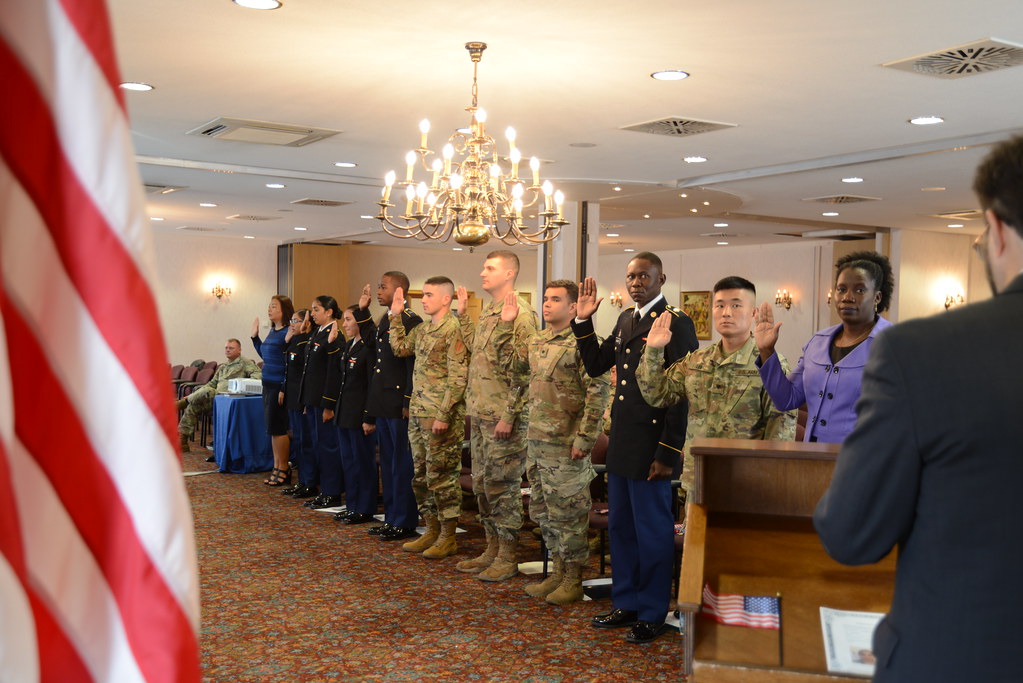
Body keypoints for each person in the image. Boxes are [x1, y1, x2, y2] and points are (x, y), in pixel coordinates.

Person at [813, 135, 1023, 682]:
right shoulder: (833, 344)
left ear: (997, 230)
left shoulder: (922, 352)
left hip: (964, 655)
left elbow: (852, 533)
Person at [572, 252, 698, 644]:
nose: (636, 282)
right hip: (624, 444)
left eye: (644, 276)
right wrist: (583, 320)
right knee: (623, 530)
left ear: (662, 277)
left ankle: (652, 610)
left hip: (652, 448)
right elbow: (596, 364)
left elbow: (680, 394)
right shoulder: (627, 318)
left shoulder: (676, 322)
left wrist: (666, 453)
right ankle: (626, 602)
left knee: (652, 534)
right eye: (631, 276)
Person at [497, 280, 611, 605]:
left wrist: (586, 438)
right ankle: (558, 573)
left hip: (567, 444)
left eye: (556, 299)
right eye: (546, 299)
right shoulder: (537, 340)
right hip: (537, 442)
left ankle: (574, 579)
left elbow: (597, 393)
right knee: (544, 512)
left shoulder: (585, 343)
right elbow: (514, 374)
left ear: (574, 307)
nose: (547, 304)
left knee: (569, 515)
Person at [637, 276, 797, 495]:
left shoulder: (768, 364)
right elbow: (657, 395)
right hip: (699, 481)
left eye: (736, 305)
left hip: (746, 486)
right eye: (719, 305)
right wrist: (654, 351)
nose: (726, 312)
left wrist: (768, 486)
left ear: (753, 313)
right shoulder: (697, 361)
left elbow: (780, 432)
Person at [455, 250, 538, 582]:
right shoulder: (491, 311)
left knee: (503, 487)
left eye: (489, 268)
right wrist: (462, 316)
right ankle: (491, 548)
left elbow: (524, 372)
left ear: (509, 274)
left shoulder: (522, 315)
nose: (482, 273)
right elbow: (477, 354)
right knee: (482, 486)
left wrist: (509, 415)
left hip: (504, 418)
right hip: (481, 413)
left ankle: (508, 554)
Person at [754, 251, 895, 443]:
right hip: (813, 460)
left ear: (877, 297)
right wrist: (766, 351)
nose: (847, 297)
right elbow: (787, 399)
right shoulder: (817, 342)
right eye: (841, 289)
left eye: (860, 290)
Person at [389, 277, 469, 560]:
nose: (423, 299)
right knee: (421, 476)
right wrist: (395, 316)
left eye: (429, 295)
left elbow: (459, 377)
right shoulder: (423, 330)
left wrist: (445, 414)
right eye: (422, 295)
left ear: (446, 299)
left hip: (440, 416)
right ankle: (431, 530)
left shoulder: (454, 330)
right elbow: (399, 348)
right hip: (419, 412)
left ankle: (448, 536)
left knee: (442, 477)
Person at [355, 273, 423, 542]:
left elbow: (410, 365)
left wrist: (408, 399)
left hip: (398, 404)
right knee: (389, 464)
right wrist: (362, 311)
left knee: (401, 465)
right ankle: (392, 517)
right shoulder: (388, 318)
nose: (379, 290)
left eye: (383, 287)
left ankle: (405, 520)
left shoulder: (410, 320)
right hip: (383, 402)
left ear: (400, 291)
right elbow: (373, 347)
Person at [330, 305, 379, 525]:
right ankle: (352, 505)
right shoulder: (350, 345)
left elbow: (371, 385)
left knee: (363, 463)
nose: (345, 324)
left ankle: (365, 507)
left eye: (349, 320)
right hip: (344, 413)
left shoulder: (368, 349)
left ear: (359, 322)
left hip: (359, 415)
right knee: (348, 462)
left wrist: (369, 417)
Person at [297, 295, 343, 508]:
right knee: (317, 445)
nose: (312, 314)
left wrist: (328, 404)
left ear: (329, 311)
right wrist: (307, 400)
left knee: (328, 447)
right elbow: (309, 370)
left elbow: (333, 374)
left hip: (324, 402)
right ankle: (323, 488)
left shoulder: (335, 336)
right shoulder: (317, 332)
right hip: (313, 399)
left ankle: (331, 491)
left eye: (316, 310)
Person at [176, 339, 261, 453]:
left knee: (209, 391)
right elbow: (212, 383)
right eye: (226, 348)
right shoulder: (223, 366)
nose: (227, 350)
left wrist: (240, 386)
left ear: (239, 350)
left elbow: (257, 378)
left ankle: (182, 403)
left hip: (229, 399)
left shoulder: (246, 363)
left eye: (231, 348)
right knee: (194, 404)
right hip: (215, 398)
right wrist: (195, 395)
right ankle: (183, 441)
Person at [250, 295, 295, 486]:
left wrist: (284, 386)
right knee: (272, 429)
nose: (269, 309)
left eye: (274, 306)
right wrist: (254, 338)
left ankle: (284, 468)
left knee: (279, 428)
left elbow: (289, 364)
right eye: (269, 306)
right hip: (267, 383)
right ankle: (276, 466)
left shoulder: (288, 331)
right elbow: (266, 354)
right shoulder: (274, 332)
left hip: (279, 385)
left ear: (284, 310)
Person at [280, 310, 313, 497]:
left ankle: (309, 481)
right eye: (291, 320)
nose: (292, 323)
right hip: (292, 397)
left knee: (305, 442)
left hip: (302, 398)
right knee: (299, 442)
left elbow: (305, 374)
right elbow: (287, 368)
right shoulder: (294, 341)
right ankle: (302, 480)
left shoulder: (306, 342)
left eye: (296, 320)